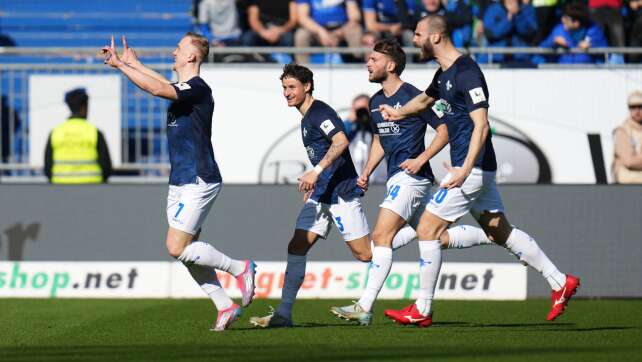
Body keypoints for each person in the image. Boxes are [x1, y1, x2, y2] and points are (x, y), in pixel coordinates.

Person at [377, 15, 580, 326]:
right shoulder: (444, 73)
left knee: (427, 229)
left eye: (417, 35)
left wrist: (464, 169)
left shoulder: (467, 72)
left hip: (471, 168)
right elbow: (423, 101)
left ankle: (422, 308)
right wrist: (399, 111)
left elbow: (482, 127)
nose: (413, 40)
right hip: (471, 167)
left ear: (435, 37)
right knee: (500, 230)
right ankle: (559, 281)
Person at [101, 34, 256, 331]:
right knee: (189, 251)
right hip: (181, 178)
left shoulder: (198, 89)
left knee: (176, 247)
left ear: (192, 57)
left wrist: (123, 68)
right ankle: (225, 306)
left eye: (179, 49)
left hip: (199, 176)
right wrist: (130, 63)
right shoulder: (185, 88)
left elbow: (159, 89)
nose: (173, 51)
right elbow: (164, 84)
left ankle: (241, 268)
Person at [249, 63, 419, 328]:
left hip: (340, 193)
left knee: (366, 255)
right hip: (322, 194)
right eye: (284, 88)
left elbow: (341, 141)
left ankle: (420, 230)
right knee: (297, 246)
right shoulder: (306, 117)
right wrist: (317, 184)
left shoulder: (320, 112)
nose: (286, 93)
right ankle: (284, 314)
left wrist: (315, 172)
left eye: (292, 87)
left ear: (307, 87)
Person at [329, 39, 451, 325]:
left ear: (391, 65)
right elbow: (380, 140)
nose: (367, 63)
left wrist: (421, 159)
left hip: (413, 178)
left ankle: (364, 306)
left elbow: (444, 131)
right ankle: (495, 234)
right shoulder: (375, 102)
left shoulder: (415, 96)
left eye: (373, 59)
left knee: (381, 237)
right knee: (434, 235)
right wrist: (367, 172)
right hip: (398, 177)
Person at [44, 88, 112, 184]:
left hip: (60, 187)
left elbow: (47, 168)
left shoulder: (56, 132)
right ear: (85, 107)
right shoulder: (95, 132)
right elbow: (106, 167)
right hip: (92, 187)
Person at [537, 2, 608, 64]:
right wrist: (552, 42)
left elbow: (605, 53)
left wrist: (592, 47)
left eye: (566, 18)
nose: (563, 20)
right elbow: (541, 50)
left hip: (587, 74)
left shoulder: (594, 31)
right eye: (563, 17)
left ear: (576, 23)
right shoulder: (558, 30)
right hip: (562, 74)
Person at [294, 0, 363, 63]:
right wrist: (320, 31)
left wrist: (339, 32)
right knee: (301, 34)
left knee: (356, 30)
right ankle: (302, 71)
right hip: (316, 29)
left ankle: (358, 66)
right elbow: (303, 18)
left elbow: (355, 17)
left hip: (342, 28)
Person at [612, 90, 642, 183]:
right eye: (633, 107)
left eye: (640, 107)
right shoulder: (622, 131)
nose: (637, 111)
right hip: (626, 178)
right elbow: (629, 162)